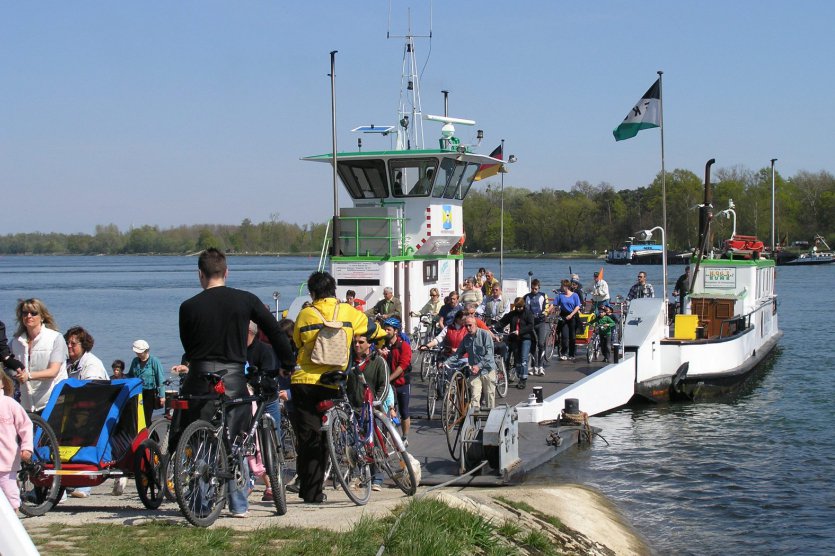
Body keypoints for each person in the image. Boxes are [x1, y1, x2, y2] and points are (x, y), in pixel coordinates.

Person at [174, 248, 296, 518]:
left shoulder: (188, 307)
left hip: (199, 378)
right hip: (232, 378)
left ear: (200, 274)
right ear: (226, 272)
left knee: (202, 438)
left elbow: (188, 345)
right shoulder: (246, 300)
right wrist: (287, 362)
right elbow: (274, 332)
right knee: (236, 440)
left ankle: (200, 503)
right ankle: (239, 505)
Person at [292, 271, 384, 505]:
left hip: (304, 382)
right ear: (334, 291)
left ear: (312, 293)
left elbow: (297, 342)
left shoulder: (305, 314)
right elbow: (374, 331)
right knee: (325, 436)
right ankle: (331, 471)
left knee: (307, 437)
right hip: (333, 380)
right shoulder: (348, 312)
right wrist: (382, 340)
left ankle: (309, 491)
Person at [345, 333, 390, 491]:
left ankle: (377, 477)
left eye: (361, 342)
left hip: (373, 409)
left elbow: (384, 386)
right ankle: (358, 475)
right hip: (353, 408)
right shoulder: (349, 362)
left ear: (369, 344)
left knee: (374, 444)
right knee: (353, 444)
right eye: (355, 342)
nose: (357, 345)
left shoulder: (379, 362)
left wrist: (375, 404)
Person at [10, 299, 68, 412]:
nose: (29, 316)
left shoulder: (56, 338)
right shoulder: (15, 342)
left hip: (53, 402)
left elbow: (53, 371)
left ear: (42, 317)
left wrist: (28, 376)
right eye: (25, 313)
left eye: (33, 313)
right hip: (26, 404)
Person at [447, 316, 497, 410]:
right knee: (474, 396)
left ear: (475, 325)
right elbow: (458, 354)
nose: (468, 328)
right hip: (475, 373)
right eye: (466, 326)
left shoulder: (485, 335)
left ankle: (491, 420)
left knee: (490, 397)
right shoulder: (466, 338)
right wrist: (446, 363)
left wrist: (478, 366)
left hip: (488, 370)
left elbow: (489, 354)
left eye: (470, 325)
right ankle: (474, 420)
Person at [0, 372, 33, 513]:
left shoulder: (9, 403)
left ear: (2, 383)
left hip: (7, 459)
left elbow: (25, 426)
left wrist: (27, 447)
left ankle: (14, 519)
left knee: (9, 492)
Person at [378, 317, 412, 445]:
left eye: (388, 329)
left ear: (396, 331)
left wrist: (389, 379)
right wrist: (379, 353)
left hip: (401, 383)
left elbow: (402, 367)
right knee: (385, 413)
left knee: (404, 411)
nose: (386, 331)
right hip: (387, 385)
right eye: (384, 329)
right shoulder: (382, 345)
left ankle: (404, 436)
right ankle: (385, 440)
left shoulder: (404, 346)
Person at [497, 298, 536, 389]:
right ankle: (518, 373)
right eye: (517, 307)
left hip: (525, 338)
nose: (518, 309)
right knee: (517, 359)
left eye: (520, 307)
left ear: (523, 306)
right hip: (515, 339)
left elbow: (530, 326)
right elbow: (502, 322)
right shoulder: (512, 314)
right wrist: (493, 326)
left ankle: (523, 379)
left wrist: (520, 331)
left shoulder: (528, 314)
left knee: (523, 358)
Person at [127, 339, 165, 427]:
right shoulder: (135, 361)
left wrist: (162, 396)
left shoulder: (154, 361)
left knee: (146, 418)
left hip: (150, 393)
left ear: (145, 351)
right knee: (138, 418)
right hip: (138, 392)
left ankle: (150, 438)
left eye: (139, 352)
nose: (138, 354)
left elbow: (160, 378)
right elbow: (130, 375)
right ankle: (152, 438)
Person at [524, 279, 549, 376]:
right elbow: (525, 308)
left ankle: (541, 366)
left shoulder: (543, 295)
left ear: (539, 288)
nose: (534, 290)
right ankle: (534, 366)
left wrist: (543, 314)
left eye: (536, 289)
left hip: (541, 322)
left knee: (541, 344)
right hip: (531, 324)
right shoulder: (527, 296)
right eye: (533, 288)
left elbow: (546, 306)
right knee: (533, 344)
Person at [554, 279, 582, 361]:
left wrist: (571, 314)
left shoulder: (575, 295)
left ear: (567, 287)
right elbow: (554, 304)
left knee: (572, 336)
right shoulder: (560, 295)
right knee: (564, 336)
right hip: (563, 316)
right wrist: (550, 310)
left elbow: (577, 306)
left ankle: (571, 353)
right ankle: (564, 353)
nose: (561, 287)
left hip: (573, 316)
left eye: (562, 286)